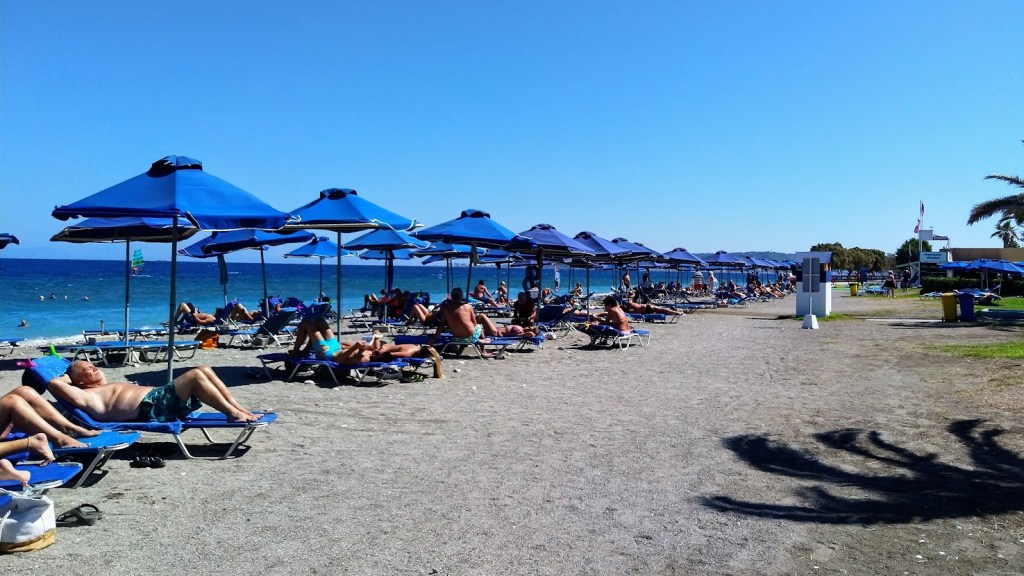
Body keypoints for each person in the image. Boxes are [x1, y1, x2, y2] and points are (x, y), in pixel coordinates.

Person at [51, 362, 263, 423]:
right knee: (195, 376)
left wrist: (82, 372)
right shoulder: (87, 396)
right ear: (79, 380)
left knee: (204, 369)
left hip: (158, 399)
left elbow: (97, 376)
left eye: (93, 365)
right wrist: (69, 376)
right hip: (151, 408)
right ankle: (232, 414)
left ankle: (238, 408)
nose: (94, 368)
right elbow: (54, 383)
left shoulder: (102, 385)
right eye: (87, 369)